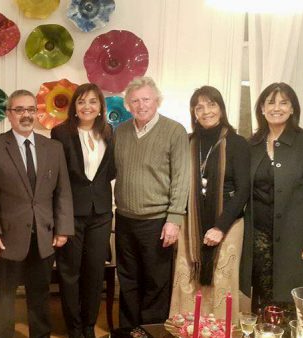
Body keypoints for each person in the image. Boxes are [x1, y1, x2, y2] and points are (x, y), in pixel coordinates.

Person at [0, 89, 74, 338]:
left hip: (43, 236)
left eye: (31, 109)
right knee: (5, 296)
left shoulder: (53, 148)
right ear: (9, 114)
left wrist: (63, 228)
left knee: (40, 295)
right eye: (19, 110)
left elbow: (62, 192)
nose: (26, 115)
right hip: (5, 239)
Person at [243, 82, 303, 312]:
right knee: (263, 301)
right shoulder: (252, 145)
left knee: (293, 304)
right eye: (270, 102)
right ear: (261, 108)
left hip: (296, 237)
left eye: (283, 102)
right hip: (259, 237)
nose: (276, 108)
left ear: (293, 108)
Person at [114, 76, 190, 327]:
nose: (141, 105)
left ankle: (150, 331)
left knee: (156, 282)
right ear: (127, 105)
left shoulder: (174, 130)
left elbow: (181, 177)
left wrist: (174, 219)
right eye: (134, 100)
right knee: (127, 279)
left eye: (146, 99)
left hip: (157, 221)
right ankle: (128, 331)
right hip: (125, 219)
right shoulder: (121, 132)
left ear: (157, 100)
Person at [169, 86, 250, 319]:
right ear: (193, 113)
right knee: (188, 279)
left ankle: (219, 332)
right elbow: (177, 182)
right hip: (191, 220)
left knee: (221, 280)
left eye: (211, 105)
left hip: (229, 222)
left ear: (221, 108)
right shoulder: (187, 141)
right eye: (199, 107)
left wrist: (220, 227)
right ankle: (186, 330)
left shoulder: (237, 143)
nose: (206, 111)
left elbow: (243, 190)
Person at [51, 83, 115, 338]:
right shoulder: (60, 133)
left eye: (92, 102)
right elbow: (57, 176)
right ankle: (74, 328)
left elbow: (110, 171)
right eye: (81, 102)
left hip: (100, 213)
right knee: (70, 272)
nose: (87, 106)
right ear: (74, 107)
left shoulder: (110, 132)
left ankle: (89, 326)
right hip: (71, 213)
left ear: (100, 107)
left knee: (94, 271)